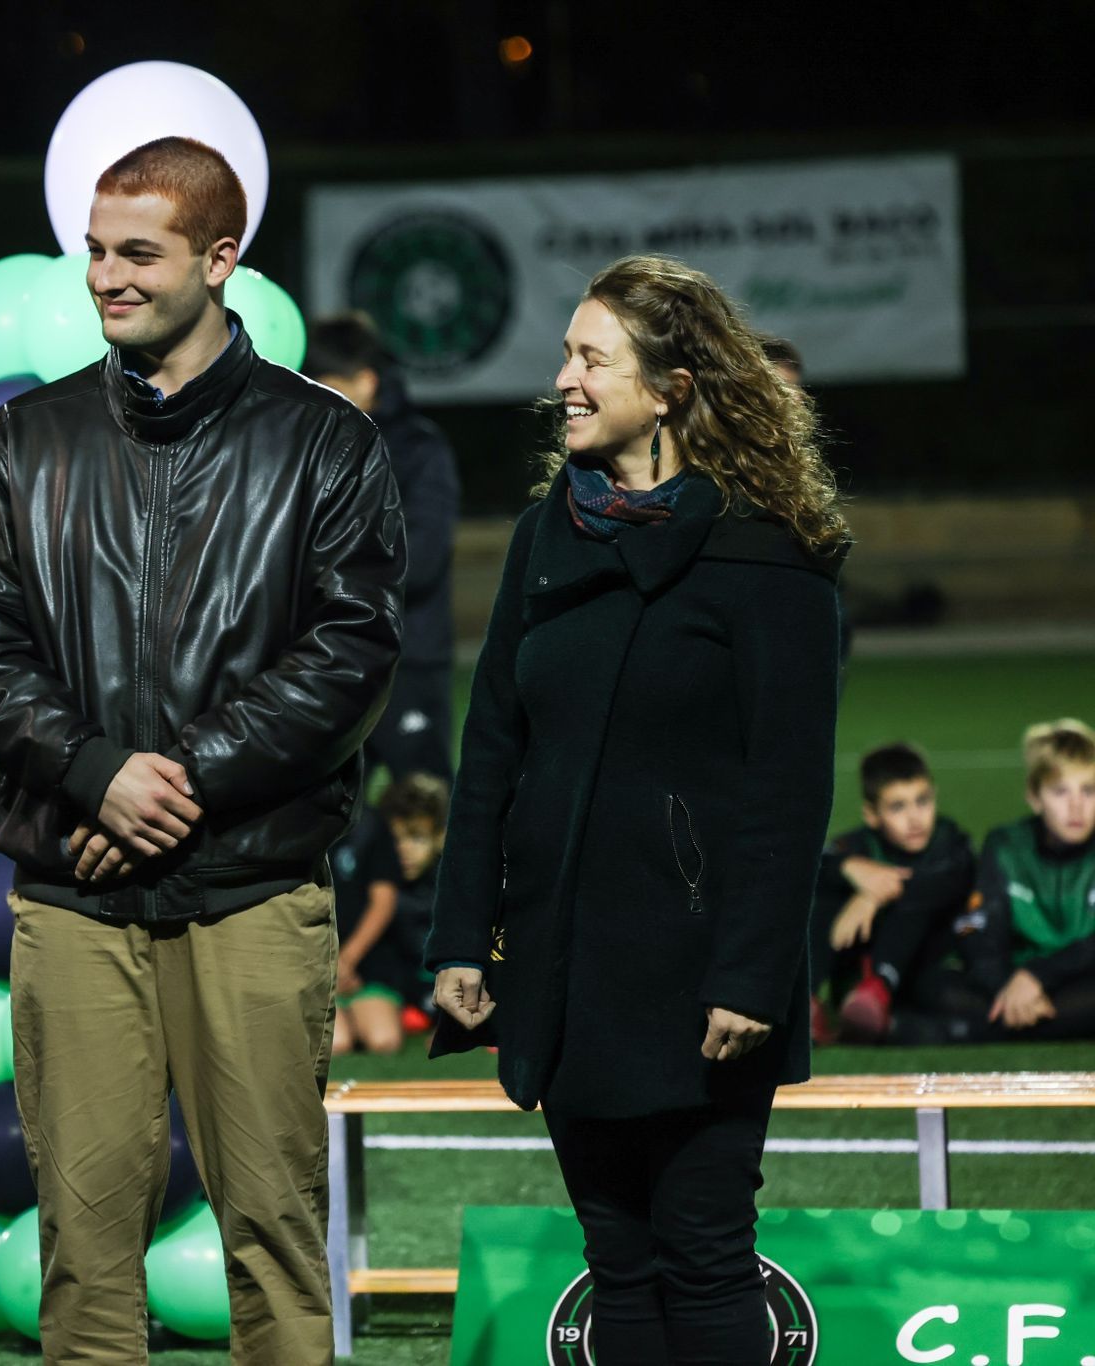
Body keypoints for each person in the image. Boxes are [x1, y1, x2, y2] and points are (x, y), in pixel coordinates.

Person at [0, 136, 406, 1365]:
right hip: (73, 892)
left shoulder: (324, 441)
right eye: (94, 249)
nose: (104, 275)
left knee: (272, 1236)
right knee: (81, 1255)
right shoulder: (25, 439)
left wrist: (177, 779)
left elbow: (349, 655)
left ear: (219, 258)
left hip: (251, 884)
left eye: (136, 251)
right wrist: (94, 771)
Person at [425, 254, 849, 1366]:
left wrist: (750, 973)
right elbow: (491, 754)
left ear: (667, 388)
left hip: (702, 978)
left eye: (587, 357)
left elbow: (787, 789)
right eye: (565, 354)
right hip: (565, 969)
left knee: (703, 1255)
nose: (560, 379)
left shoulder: (768, 553)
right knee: (614, 1258)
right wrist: (461, 936)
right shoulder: (540, 539)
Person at [306, 313, 462, 782]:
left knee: (420, 805)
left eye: (328, 384)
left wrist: (329, 579)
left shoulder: (419, 448)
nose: (316, 397)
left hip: (407, 657)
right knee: (329, 815)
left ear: (366, 381)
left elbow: (425, 558)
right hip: (329, 657)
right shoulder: (311, 449)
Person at [809, 743, 975, 1043]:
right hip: (857, 971)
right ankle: (806, 1000)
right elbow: (813, 863)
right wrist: (848, 866)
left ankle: (878, 992)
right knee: (827, 891)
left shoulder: (951, 841)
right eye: (897, 807)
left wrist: (873, 894)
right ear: (872, 815)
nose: (914, 818)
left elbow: (950, 880)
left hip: (922, 969)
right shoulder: (858, 846)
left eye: (922, 801)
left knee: (916, 900)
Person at [943, 719, 1095, 1041]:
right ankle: (1030, 1019)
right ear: (1034, 796)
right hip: (1013, 982)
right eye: (1060, 791)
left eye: (1089, 790)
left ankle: (969, 1030)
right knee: (931, 982)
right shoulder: (1006, 845)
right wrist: (1007, 989)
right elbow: (976, 928)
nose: (1076, 806)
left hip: (1079, 978)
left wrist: (1038, 975)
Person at [332, 772, 449, 1055]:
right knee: (339, 1042)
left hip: (425, 981)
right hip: (388, 977)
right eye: (397, 840)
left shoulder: (445, 886)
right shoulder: (374, 875)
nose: (404, 850)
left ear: (439, 837)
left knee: (385, 1038)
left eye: (417, 838)